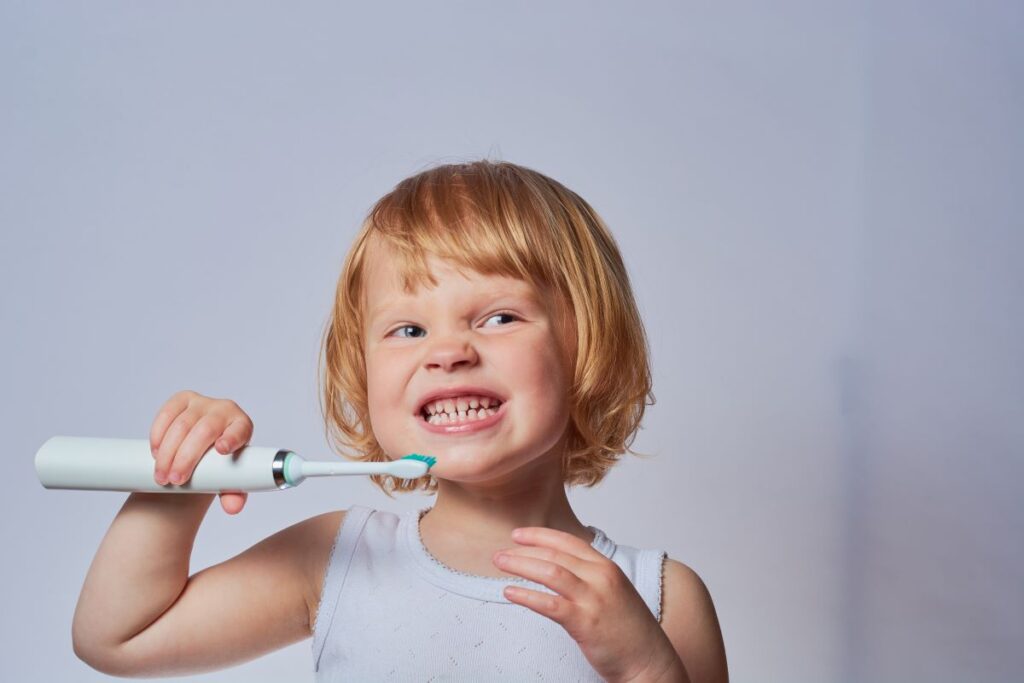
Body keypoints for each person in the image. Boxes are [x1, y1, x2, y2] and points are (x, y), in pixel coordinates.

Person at [71, 160, 728, 682]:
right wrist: (185, 475)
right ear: (363, 376)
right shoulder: (337, 560)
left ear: (590, 346)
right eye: (408, 328)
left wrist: (646, 668)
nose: (447, 351)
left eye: (499, 316)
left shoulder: (663, 597)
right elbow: (118, 635)